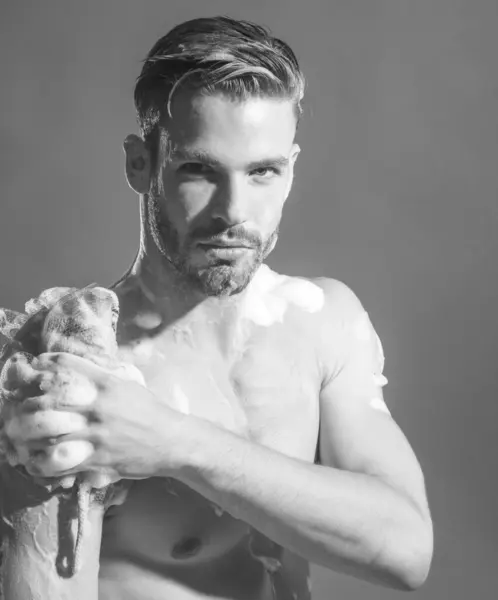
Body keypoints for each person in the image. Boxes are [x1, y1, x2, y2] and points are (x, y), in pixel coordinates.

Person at [0, 16, 433, 600]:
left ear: (290, 170)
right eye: (200, 171)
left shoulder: (321, 320)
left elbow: (406, 552)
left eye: (262, 172)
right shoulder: (76, 363)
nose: (235, 211)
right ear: (141, 164)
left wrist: (173, 442)